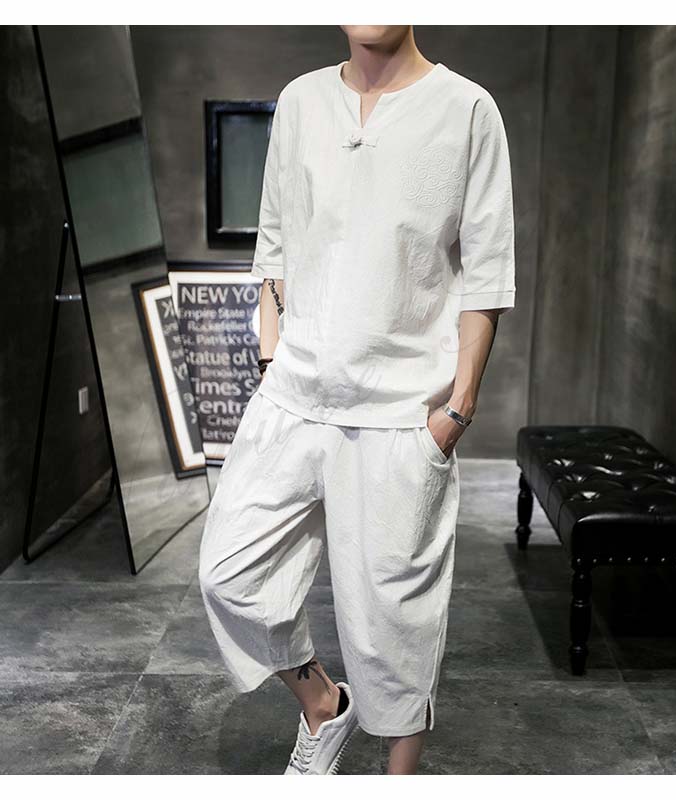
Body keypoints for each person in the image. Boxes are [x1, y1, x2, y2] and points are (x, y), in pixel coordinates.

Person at [199, 24, 515, 775]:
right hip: (293, 398)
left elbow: (487, 270)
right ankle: (322, 704)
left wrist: (456, 412)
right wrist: (273, 359)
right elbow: (275, 242)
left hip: (400, 416)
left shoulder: (467, 110)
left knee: (393, 624)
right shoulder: (301, 101)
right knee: (229, 574)